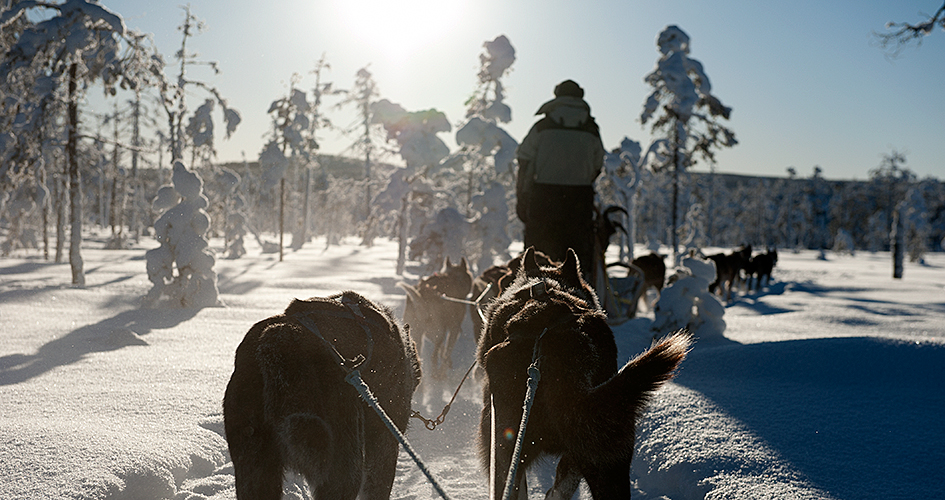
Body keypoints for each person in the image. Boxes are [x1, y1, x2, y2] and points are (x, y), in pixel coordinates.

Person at [515, 79, 605, 273]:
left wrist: (523, 197)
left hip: (544, 200)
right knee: (575, 263)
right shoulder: (591, 129)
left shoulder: (542, 127)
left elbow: (524, 161)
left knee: (537, 260)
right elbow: (597, 165)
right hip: (579, 201)